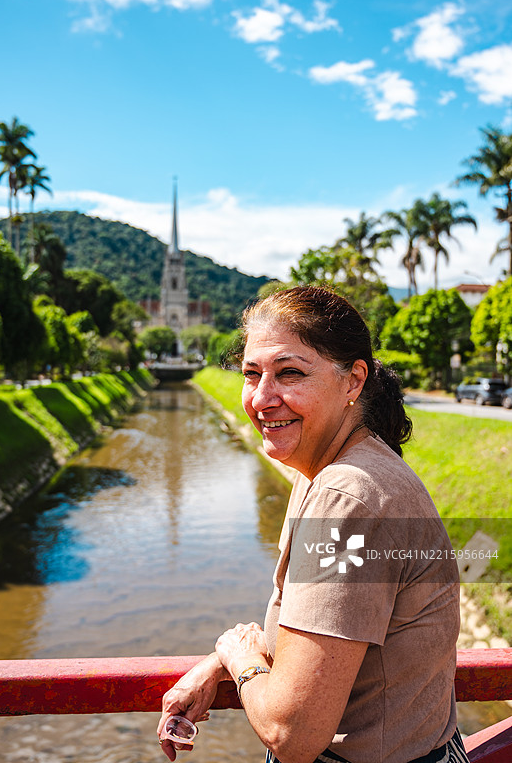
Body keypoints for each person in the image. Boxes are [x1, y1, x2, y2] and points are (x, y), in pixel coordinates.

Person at [157, 286, 469, 763]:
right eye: (251, 374)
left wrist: (238, 657)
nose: (262, 398)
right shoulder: (325, 469)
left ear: (353, 381)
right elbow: (318, 636)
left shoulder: (347, 497)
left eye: (290, 373)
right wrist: (220, 663)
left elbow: (293, 734)